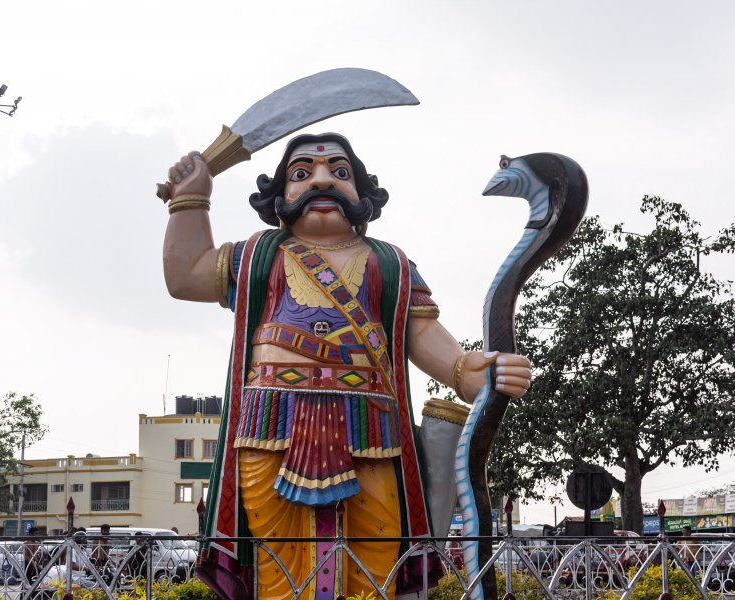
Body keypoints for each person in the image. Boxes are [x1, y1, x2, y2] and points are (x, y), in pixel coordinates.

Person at [163, 133, 532, 600]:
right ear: (280, 197)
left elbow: (420, 333)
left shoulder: (390, 263)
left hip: (370, 430)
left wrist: (465, 369)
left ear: (363, 195)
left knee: (375, 551)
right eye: (302, 174)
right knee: (275, 559)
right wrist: (191, 199)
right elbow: (185, 275)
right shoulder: (258, 255)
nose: (322, 180)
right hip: (273, 423)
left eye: (340, 173)